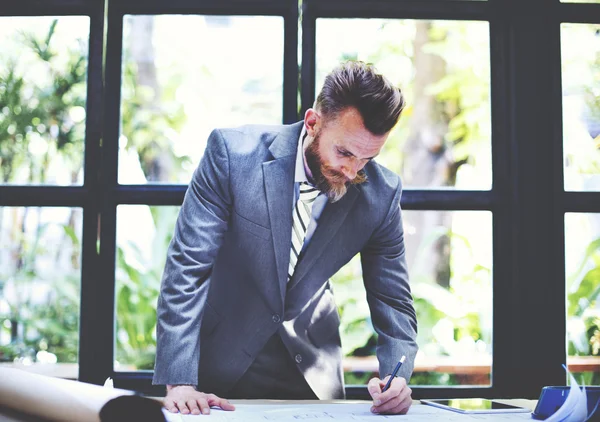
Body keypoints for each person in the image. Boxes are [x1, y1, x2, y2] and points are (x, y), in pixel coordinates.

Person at [153, 61, 418, 416]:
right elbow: (188, 267)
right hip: (220, 361)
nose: (353, 171)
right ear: (313, 123)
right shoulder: (232, 156)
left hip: (312, 370)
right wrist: (180, 380)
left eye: (368, 159)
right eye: (344, 153)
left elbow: (394, 301)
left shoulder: (382, 194)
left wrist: (397, 376)